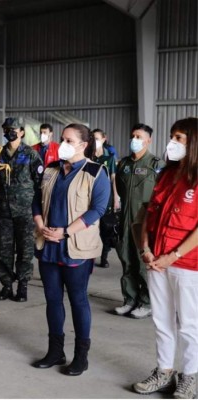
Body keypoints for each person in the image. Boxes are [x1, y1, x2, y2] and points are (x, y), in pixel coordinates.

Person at [32, 123, 110, 376]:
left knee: (78, 300)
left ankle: (80, 356)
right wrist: (41, 225)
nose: (62, 144)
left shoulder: (96, 172)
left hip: (75, 246)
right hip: (48, 245)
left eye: (68, 140)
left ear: (83, 145)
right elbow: (37, 199)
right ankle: (55, 351)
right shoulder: (51, 170)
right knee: (53, 300)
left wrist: (65, 231)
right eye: (62, 139)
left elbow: (97, 209)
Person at [133, 117, 197, 399]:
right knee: (161, 320)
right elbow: (149, 213)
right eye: (172, 136)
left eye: (179, 137)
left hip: (187, 264)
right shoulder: (165, 174)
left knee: (189, 324)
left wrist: (173, 256)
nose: (172, 142)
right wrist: (145, 249)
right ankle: (164, 371)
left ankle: (190, 377)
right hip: (155, 259)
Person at [114, 124, 165, 319]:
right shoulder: (124, 164)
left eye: (139, 136)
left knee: (143, 261)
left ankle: (146, 302)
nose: (134, 139)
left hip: (145, 221)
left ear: (148, 140)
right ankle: (130, 299)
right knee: (127, 260)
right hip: (125, 219)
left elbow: (161, 193)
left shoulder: (156, 165)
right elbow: (119, 187)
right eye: (133, 135)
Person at [0, 117, 43, 302]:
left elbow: (39, 183)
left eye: (13, 129)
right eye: (6, 129)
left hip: (25, 211)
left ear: (21, 132)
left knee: (25, 250)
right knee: (4, 250)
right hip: (3, 210)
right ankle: (6, 286)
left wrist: (38, 211)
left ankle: (23, 286)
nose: (9, 132)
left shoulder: (31, 154)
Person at [92, 129, 120, 268]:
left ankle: (104, 256)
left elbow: (113, 179)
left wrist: (116, 197)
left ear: (104, 139)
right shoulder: (89, 157)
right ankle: (90, 255)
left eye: (97, 138)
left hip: (106, 197)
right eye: (93, 138)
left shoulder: (109, 159)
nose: (95, 140)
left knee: (105, 228)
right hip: (90, 197)